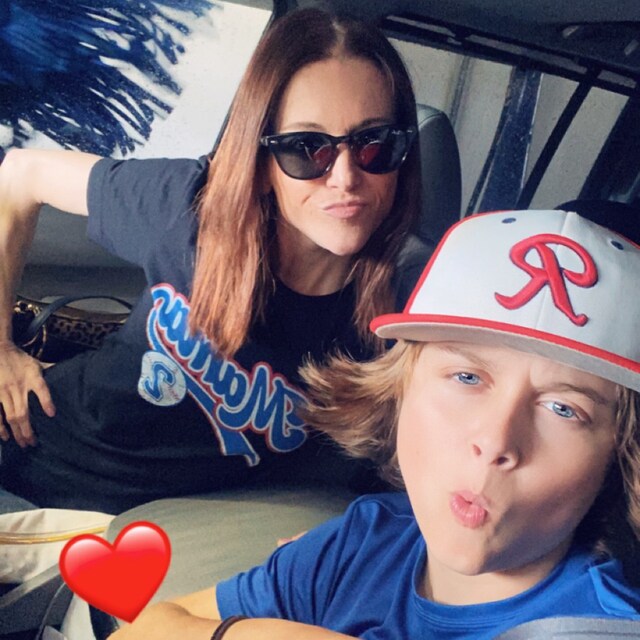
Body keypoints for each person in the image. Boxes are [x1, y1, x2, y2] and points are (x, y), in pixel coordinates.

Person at [109, 208, 640, 639]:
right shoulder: (366, 541)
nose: (495, 439)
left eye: (564, 409)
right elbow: (150, 627)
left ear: (616, 460)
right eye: (466, 377)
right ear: (399, 389)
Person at [0, 8, 424, 514]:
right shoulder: (188, 208)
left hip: (159, 531)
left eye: (375, 144)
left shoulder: (411, 306)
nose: (346, 177)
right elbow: (20, 176)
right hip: (29, 453)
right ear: (262, 162)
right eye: (306, 148)